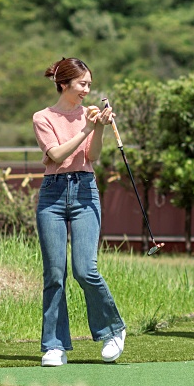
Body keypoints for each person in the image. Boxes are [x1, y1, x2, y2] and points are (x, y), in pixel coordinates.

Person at [31, 57, 127, 367]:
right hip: (53, 195)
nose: (87, 89)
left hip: (85, 191)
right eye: (82, 83)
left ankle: (113, 330)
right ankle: (54, 346)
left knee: (85, 270)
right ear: (64, 84)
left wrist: (97, 128)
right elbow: (57, 156)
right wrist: (86, 128)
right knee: (54, 274)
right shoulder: (43, 117)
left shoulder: (88, 115)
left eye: (89, 83)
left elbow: (93, 156)